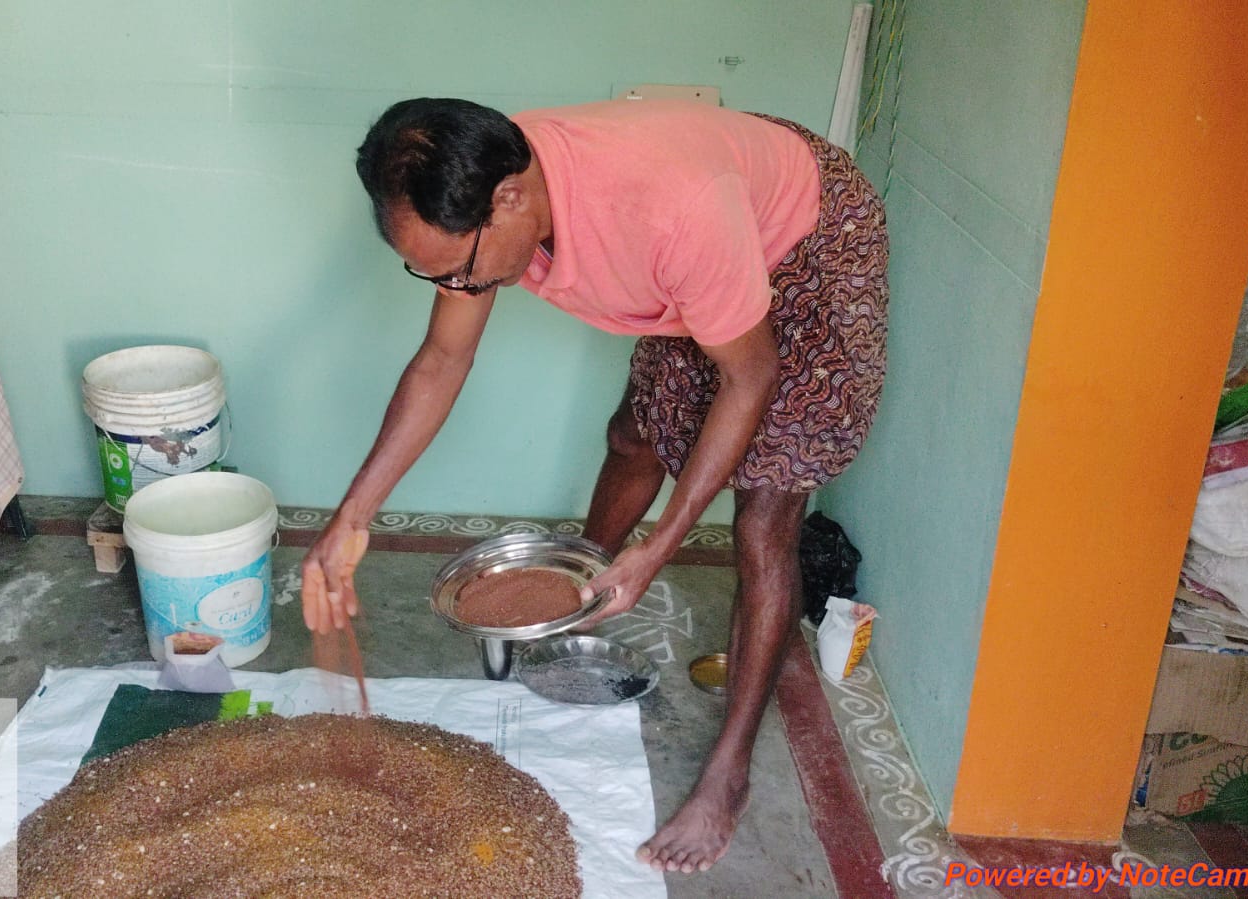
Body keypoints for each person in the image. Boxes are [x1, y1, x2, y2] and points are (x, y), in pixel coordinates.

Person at [300, 97, 887, 873]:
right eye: (432, 272)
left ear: (511, 199)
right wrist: (351, 517)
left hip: (804, 243)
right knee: (636, 431)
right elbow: (441, 360)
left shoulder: (669, 213)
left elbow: (750, 376)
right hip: (713, 220)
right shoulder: (479, 186)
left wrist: (660, 545)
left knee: (763, 516)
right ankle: (578, 597)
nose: (456, 286)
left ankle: (728, 772)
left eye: (459, 268)